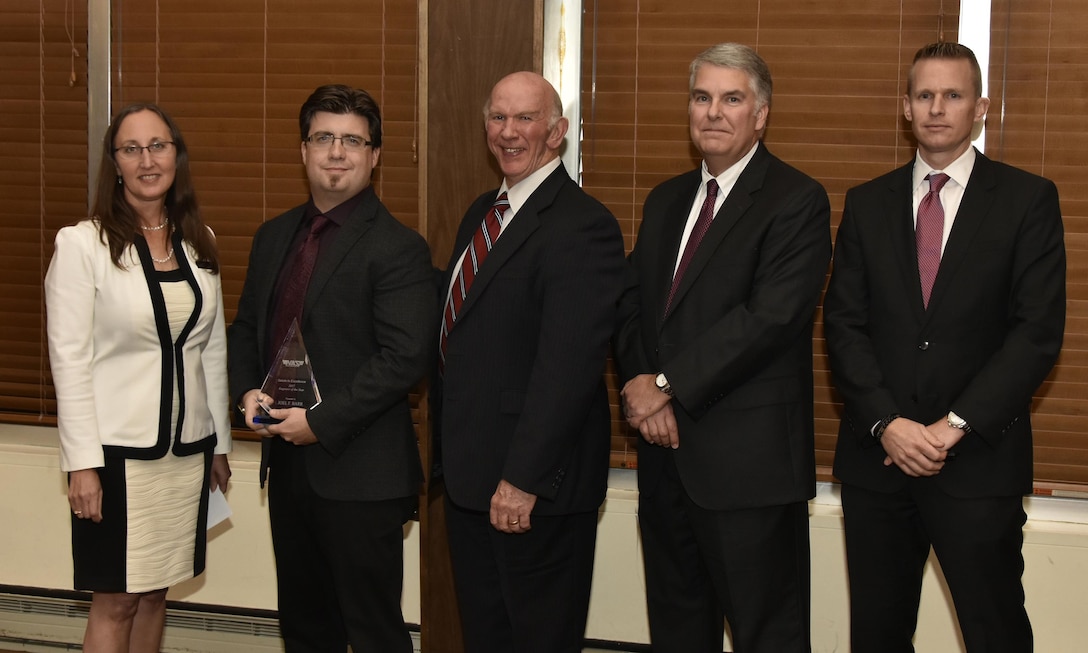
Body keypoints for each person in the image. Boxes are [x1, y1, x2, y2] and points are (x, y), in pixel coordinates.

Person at [824, 41, 1065, 652]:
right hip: (879, 464)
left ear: (980, 107)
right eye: (924, 95)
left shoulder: (1027, 200)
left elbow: (1036, 334)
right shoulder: (867, 202)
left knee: (996, 631)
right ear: (905, 107)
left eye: (953, 95)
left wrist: (952, 426)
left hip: (979, 463)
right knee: (878, 634)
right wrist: (887, 424)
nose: (937, 108)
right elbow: (844, 326)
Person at [615, 43, 831, 652]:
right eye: (702, 97)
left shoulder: (796, 199)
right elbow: (632, 305)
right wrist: (641, 384)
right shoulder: (665, 200)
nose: (713, 112)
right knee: (679, 633)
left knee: (770, 637)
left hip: (749, 472)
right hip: (666, 467)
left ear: (760, 114)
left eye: (731, 99)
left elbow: (769, 319)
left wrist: (663, 387)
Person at [227, 85, 435, 652]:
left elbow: (404, 359)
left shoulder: (398, 247)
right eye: (324, 137)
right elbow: (248, 328)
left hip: (361, 475)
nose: (336, 152)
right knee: (304, 630)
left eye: (352, 140)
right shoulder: (274, 237)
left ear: (374, 155)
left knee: (372, 634)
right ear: (303, 150)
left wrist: (318, 420)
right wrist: (247, 390)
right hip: (289, 473)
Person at [433, 71, 626, 653]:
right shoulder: (481, 213)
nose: (509, 131)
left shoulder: (583, 224)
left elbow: (568, 369)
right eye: (498, 117)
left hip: (533, 491)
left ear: (558, 132)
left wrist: (522, 480)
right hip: (471, 481)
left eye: (526, 118)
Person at [44, 103, 232, 653]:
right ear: (115, 163)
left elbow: (212, 352)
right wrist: (82, 465)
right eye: (132, 148)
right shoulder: (83, 246)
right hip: (116, 458)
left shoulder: (201, 242)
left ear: (177, 155)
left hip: (185, 455)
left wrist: (218, 443)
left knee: (156, 595)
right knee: (117, 600)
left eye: (159, 145)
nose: (147, 159)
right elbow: (69, 361)